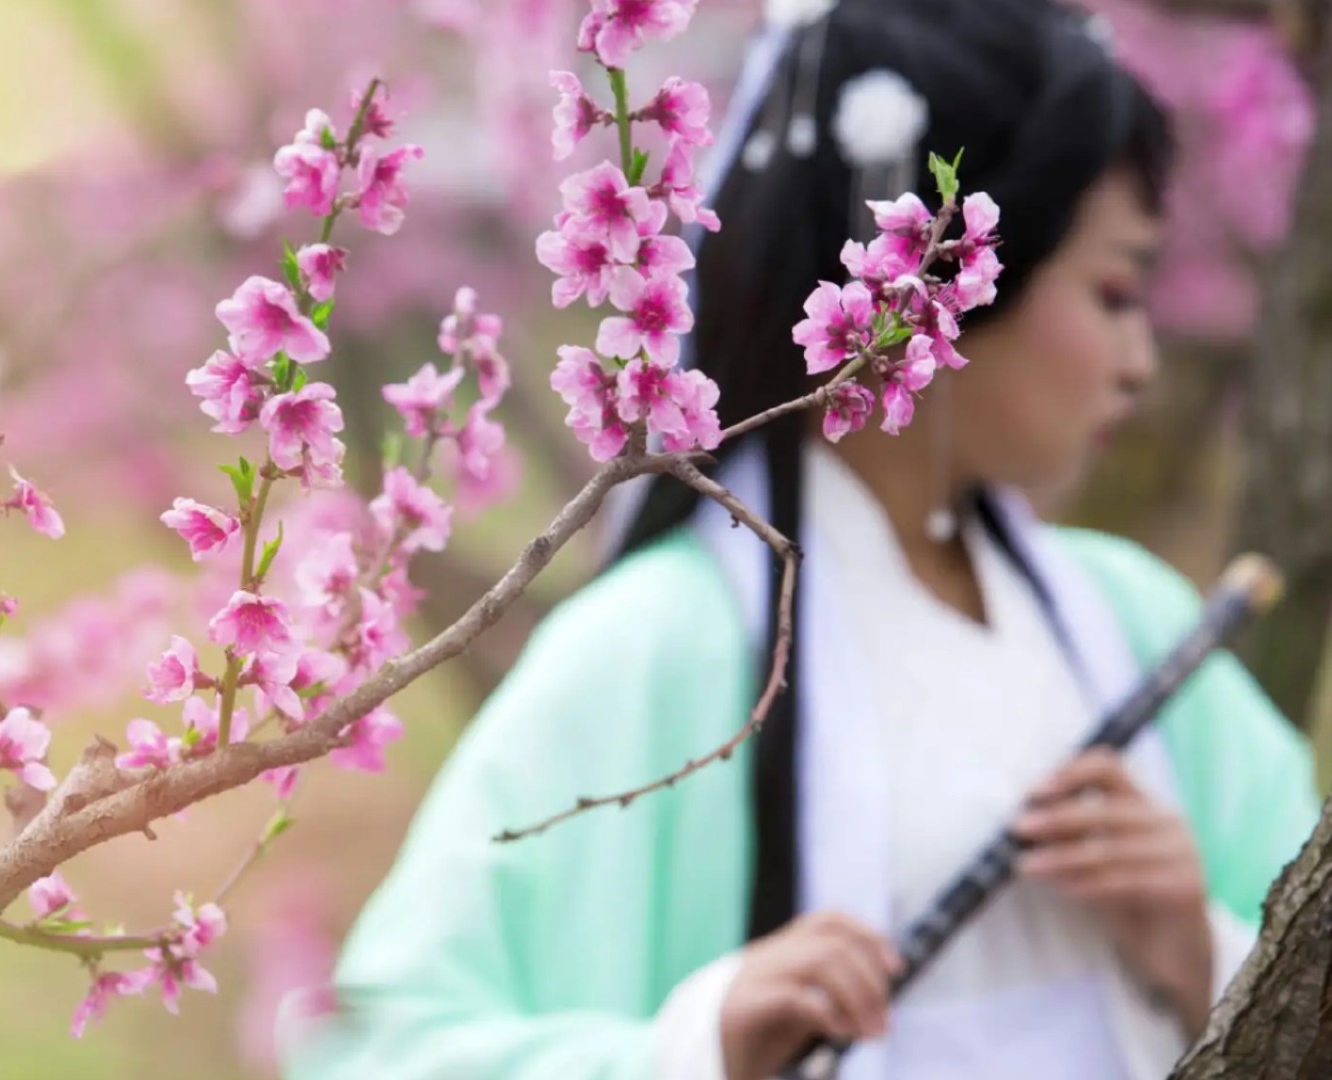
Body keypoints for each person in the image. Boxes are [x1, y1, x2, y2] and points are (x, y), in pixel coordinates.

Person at [280, 1, 1321, 1077]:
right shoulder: (653, 647)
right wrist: (700, 1045)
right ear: (936, 290)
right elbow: (378, 1047)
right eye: (1113, 292)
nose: (1142, 360)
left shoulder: (1133, 617)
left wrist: (1200, 947)